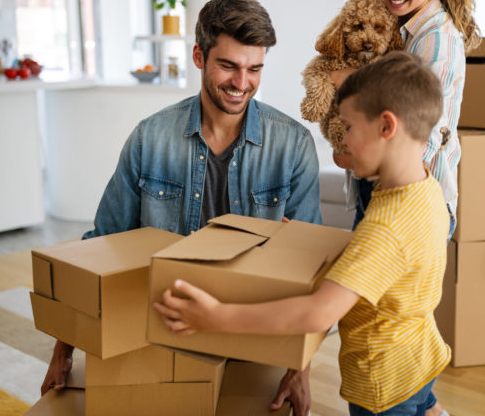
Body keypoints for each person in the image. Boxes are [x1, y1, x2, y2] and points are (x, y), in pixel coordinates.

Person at [40, 0, 322, 416]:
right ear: (198, 56)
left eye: (255, 69)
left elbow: (312, 270)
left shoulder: (293, 146)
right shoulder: (149, 139)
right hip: (159, 332)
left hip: (253, 336)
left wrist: (301, 367)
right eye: (228, 65)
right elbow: (101, 245)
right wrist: (64, 347)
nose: (242, 82)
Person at [154, 51, 451, 416]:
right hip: (420, 360)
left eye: (348, 127)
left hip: (384, 386)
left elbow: (316, 314)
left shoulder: (386, 227)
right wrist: (307, 240)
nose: (341, 142)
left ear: (386, 126)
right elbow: (391, 263)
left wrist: (216, 317)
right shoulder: (422, 187)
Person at [332, 0, 481, 245]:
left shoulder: (435, 41)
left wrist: (355, 157)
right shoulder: (394, 24)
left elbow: (422, 142)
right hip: (377, 189)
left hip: (408, 202)